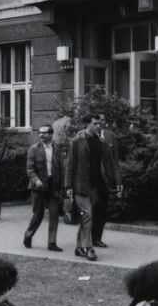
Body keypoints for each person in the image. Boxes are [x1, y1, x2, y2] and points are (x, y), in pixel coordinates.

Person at [65, 113, 120, 261]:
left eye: (99, 123)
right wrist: (68, 186)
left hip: (95, 186)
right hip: (80, 185)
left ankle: (79, 247)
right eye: (95, 123)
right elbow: (70, 164)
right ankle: (89, 248)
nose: (98, 126)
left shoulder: (101, 142)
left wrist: (114, 181)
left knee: (87, 217)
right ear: (87, 124)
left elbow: (110, 162)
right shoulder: (77, 141)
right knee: (87, 216)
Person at [23, 123, 64, 252]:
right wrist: (36, 180)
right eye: (39, 133)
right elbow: (29, 169)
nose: (41, 135)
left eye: (44, 133)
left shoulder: (57, 150)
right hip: (38, 187)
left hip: (53, 186)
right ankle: (28, 235)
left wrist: (63, 187)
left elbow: (61, 169)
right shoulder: (34, 149)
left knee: (54, 214)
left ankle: (52, 243)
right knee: (38, 215)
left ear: (51, 134)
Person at [91, 112, 123, 248]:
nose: (100, 124)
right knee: (90, 211)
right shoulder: (85, 136)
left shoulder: (110, 136)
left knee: (102, 210)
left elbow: (114, 161)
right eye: (97, 121)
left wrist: (118, 181)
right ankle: (87, 239)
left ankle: (97, 238)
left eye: (102, 120)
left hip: (106, 180)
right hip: (91, 180)